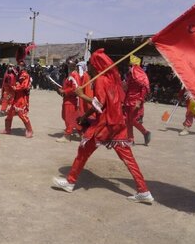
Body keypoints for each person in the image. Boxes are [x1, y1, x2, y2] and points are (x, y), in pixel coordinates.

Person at [52, 48, 154, 203]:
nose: (90, 67)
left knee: (83, 152)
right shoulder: (112, 80)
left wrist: (81, 95)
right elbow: (105, 103)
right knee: (128, 158)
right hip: (117, 124)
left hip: (105, 125)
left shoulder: (100, 80)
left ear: (97, 66)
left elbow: (98, 104)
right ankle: (143, 190)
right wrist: (85, 116)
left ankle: (70, 182)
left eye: (91, 64)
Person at [0, 60, 33, 138]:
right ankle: (7, 129)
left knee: (22, 114)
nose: (19, 66)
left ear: (24, 66)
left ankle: (30, 130)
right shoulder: (18, 74)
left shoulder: (25, 75)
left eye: (21, 65)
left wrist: (16, 87)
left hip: (21, 98)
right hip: (15, 96)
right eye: (18, 65)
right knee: (9, 114)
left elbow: (24, 86)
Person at [124, 55, 151, 145]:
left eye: (129, 65)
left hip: (135, 100)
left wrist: (140, 100)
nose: (128, 67)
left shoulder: (139, 76)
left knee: (133, 120)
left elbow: (144, 88)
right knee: (127, 120)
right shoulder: (129, 76)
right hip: (128, 99)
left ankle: (145, 132)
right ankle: (130, 139)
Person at [56, 57, 81, 143]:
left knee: (69, 118)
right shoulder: (70, 75)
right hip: (67, 99)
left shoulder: (74, 75)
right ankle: (82, 133)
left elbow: (75, 88)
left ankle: (67, 135)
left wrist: (64, 91)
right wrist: (61, 90)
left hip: (71, 101)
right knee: (66, 117)